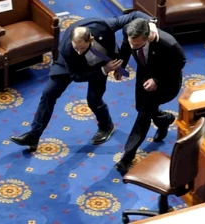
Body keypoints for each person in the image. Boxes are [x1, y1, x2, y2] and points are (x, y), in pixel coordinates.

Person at [10, 12, 157, 151]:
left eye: (82, 48)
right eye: (76, 48)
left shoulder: (103, 26)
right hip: (70, 67)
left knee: (94, 100)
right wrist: (103, 71)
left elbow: (134, 15)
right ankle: (33, 136)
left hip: (100, 63)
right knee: (48, 93)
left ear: (91, 39)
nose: (79, 51)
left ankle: (106, 126)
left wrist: (151, 23)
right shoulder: (68, 49)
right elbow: (76, 76)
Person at [114, 18, 186, 175]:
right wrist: (121, 66)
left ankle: (126, 158)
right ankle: (164, 119)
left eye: (138, 45)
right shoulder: (130, 32)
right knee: (141, 107)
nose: (133, 46)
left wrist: (158, 80)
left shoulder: (168, 44)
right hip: (144, 76)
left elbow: (180, 63)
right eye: (131, 42)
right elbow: (126, 48)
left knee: (144, 115)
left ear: (148, 37)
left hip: (166, 82)